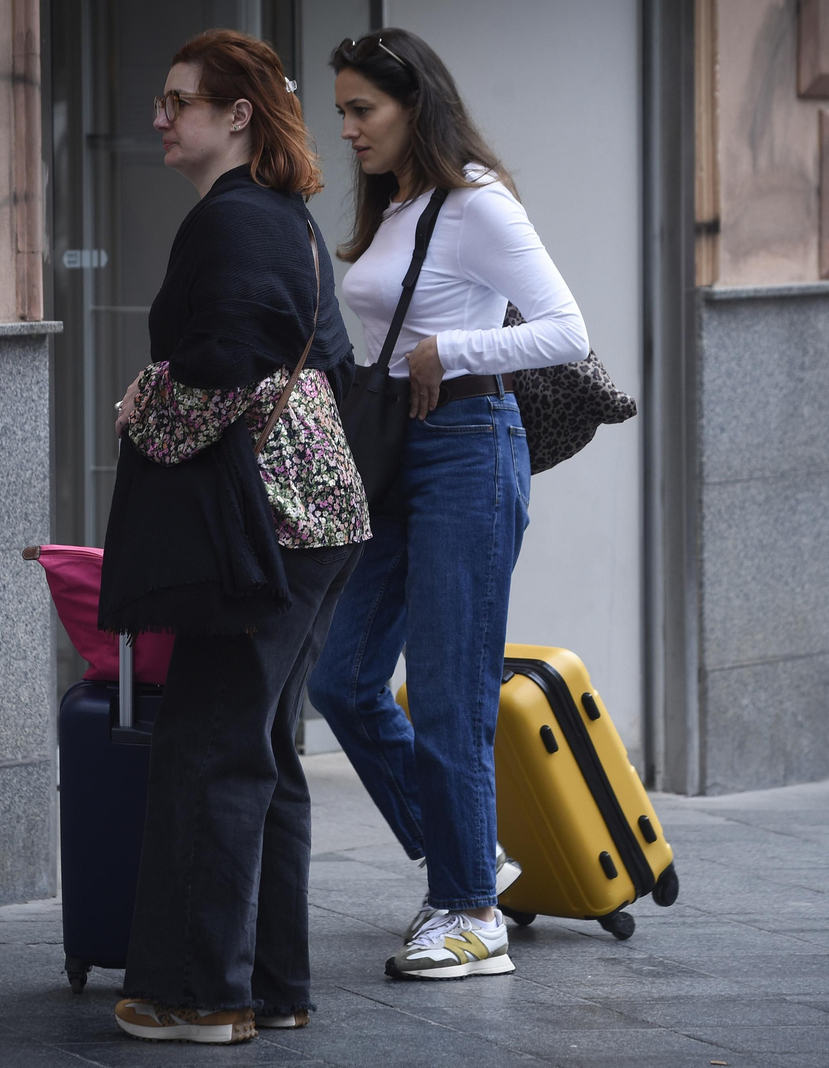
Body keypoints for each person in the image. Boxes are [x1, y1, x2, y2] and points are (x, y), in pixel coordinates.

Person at [306, 28, 590, 981]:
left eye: (362, 110)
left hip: (470, 447)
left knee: (449, 690)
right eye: (340, 109)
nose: (345, 128)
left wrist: (454, 351)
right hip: (398, 455)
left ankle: (472, 914)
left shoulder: (478, 205)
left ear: (413, 104)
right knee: (341, 678)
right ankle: (470, 857)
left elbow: (565, 331)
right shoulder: (398, 205)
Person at [103, 29, 367, 1043]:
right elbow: (308, 358)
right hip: (307, 512)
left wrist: (143, 411)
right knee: (258, 749)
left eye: (181, 102)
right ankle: (268, 987)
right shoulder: (278, 217)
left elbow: (228, 361)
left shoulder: (237, 218)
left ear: (238, 115)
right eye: (165, 100)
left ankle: (198, 994)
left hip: (267, 521)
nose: (161, 118)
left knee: (209, 747)